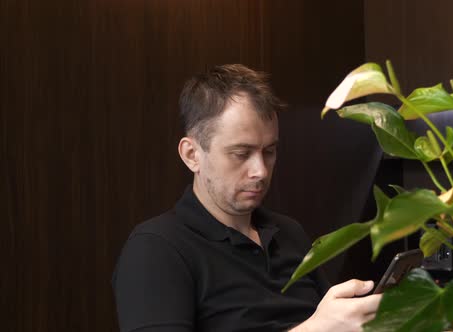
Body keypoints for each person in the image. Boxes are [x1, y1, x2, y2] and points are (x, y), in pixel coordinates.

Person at [112, 64, 382, 332]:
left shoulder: (289, 234)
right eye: (241, 153)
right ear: (192, 155)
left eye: (269, 151)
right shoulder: (156, 249)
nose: (260, 171)